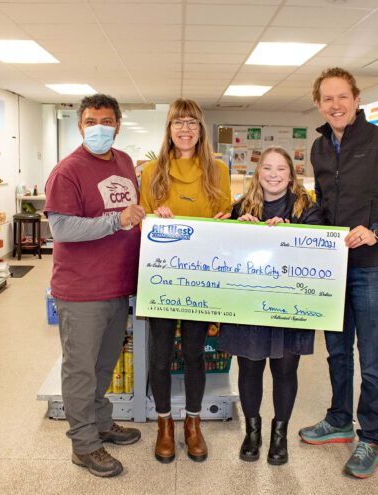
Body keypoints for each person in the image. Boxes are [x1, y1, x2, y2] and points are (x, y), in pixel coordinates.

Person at [298, 68, 378, 478]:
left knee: (371, 359)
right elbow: (321, 201)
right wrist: (305, 226)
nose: (336, 105)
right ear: (318, 103)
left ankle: (370, 438)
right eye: (328, 98)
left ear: (356, 99)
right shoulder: (318, 147)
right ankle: (338, 419)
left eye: (342, 97)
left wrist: (377, 231)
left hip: (371, 267)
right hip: (333, 268)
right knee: (336, 352)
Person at [44, 94, 146, 478]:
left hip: (117, 284)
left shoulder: (122, 162)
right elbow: (63, 228)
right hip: (82, 289)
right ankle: (84, 445)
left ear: (118, 124)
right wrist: (114, 222)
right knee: (81, 370)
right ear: (80, 126)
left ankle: (101, 421)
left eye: (106, 120)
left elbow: (132, 214)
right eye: (91, 121)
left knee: (105, 364)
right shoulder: (67, 171)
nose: (99, 127)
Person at [218, 146, 323, 466]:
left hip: (289, 305)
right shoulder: (240, 208)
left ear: (292, 175)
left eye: (281, 169)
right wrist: (236, 228)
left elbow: (321, 252)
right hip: (249, 305)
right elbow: (222, 253)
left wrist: (290, 234)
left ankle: (280, 435)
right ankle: (252, 432)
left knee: (285, 369)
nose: (274, 175)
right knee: (249, 367)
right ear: (257, 173)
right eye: (267, 168)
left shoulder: (308, 209)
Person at [140, 98, 231, 463]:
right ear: (169, 129)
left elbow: (222, 216)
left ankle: (193, 423)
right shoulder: (151, 171)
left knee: (194, 355)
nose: (185, 129)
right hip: (162, 278)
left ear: (201, 129)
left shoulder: (217, 169)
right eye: (178, 122)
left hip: (200, 279)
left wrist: (225, 220)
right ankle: (165, 424)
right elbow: (143, 223)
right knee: (160, 357)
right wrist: (155, 219)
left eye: (192, 122)